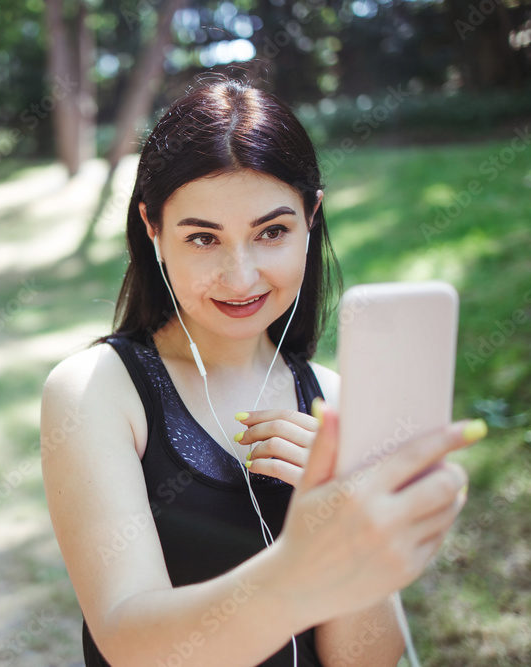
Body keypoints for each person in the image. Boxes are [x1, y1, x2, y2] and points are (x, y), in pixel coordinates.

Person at [39, 76, 488, 666]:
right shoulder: (96, 392)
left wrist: (353, 528)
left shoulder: (335, 401)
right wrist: (300, 570)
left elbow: (365, 659)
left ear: (311, 217)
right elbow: (130, 644)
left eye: (272, 232)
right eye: (204, 238)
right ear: (153, 228)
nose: (242, 276)